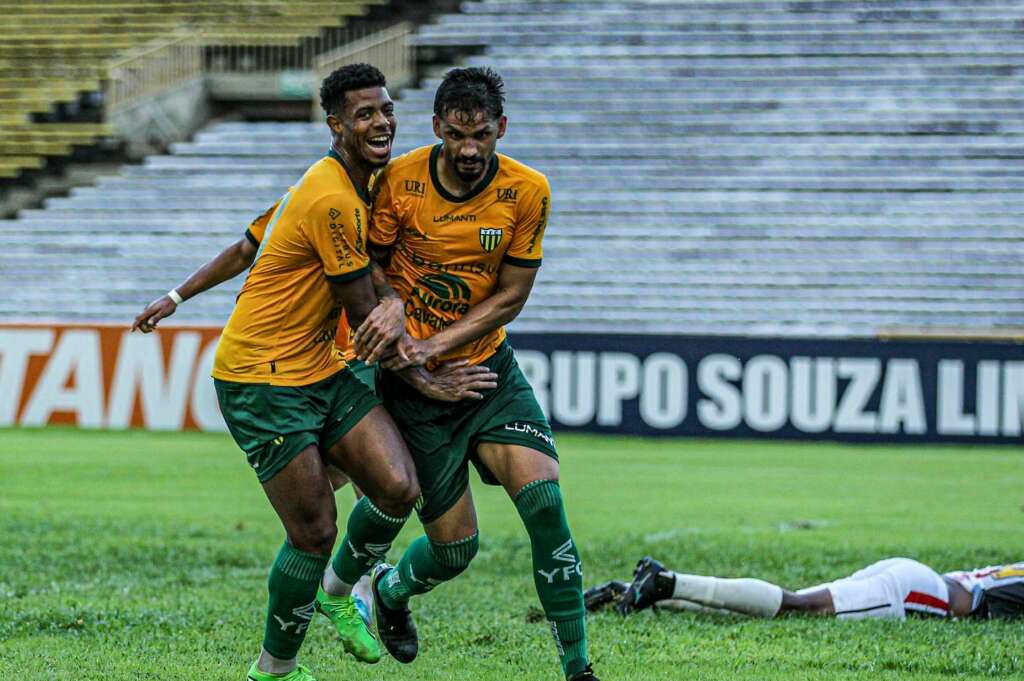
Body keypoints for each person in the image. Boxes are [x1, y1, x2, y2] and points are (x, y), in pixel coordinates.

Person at [131, 64, 495, 681]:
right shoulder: (332, 199)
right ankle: (275, 669)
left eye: (384, 109)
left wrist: (176, 294)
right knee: (313, 529)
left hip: (321, 369)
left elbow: (249, 244)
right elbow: (364, 315)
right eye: (363, 114)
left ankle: (337, 589)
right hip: (261, 378)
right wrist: (431, 379)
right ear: (335, 125)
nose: (380, 122)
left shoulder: (346, 181)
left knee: (398, 487)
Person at [343, 66, 598, 681]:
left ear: (500, 129)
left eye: (481, 134)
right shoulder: (398, 180)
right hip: (414, 392)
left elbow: (511, 296)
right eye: (456, 134)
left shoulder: (529, 190)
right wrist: (413, 353)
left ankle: (578, 668)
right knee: (455, 551)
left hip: (487, 373)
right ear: (436, 128)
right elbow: (368, 272)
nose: (468, 148)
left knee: (545, 505)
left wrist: (440, 347)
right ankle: (392, 592)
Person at [588, 556, 1024, 621]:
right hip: (926, 595)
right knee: (798, 607)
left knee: (780, 601)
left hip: (914, 574)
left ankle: (643, 591)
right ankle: (668, 580)